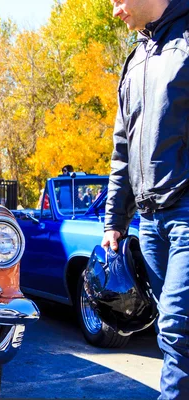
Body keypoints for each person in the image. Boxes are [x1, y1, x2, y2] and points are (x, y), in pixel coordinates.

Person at [102, 1, 189, 398]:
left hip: (187, 212)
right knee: (171, 331)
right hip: (150, 222)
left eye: (118, 0)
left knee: (176, 326)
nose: (115, 12)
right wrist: (114, 221)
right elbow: (122, 149)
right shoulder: (135, 59)